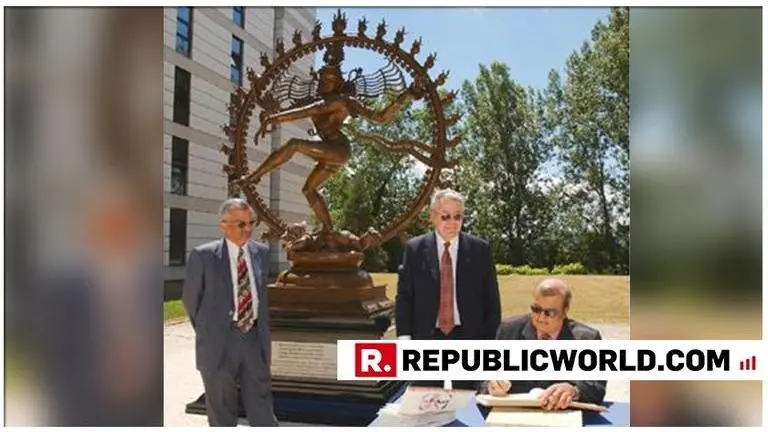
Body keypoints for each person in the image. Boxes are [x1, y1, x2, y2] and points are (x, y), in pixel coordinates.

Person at [182, 198, 277, 426]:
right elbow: (190, 300)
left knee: (262, 407)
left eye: (250, 223)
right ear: (223, 225)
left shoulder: (261, 253)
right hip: (219, 342)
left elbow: (261, 298)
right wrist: (211, 330)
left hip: (254, 339)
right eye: (240, 224)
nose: (247, 229)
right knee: (222, 409)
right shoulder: (203, 256)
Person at [396, 188, 502, 390]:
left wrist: (490, 343)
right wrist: (404, 337)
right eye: (445, 216)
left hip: (468, 336)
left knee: (469, 400)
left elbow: (492, 301)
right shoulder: (414, 249)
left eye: (458, 216)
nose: (452, 222)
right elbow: (405, 298)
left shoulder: (480, 249)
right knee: (425, 399)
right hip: (427, 337)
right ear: (433, 216)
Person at [485, 278, 606, 410]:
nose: (541, 318)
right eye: (536, 309)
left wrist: (574, 390)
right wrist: (492, 384)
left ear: (565, 311)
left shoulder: (587, 339)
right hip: (512, 415)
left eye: (550, 313)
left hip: (562, 418)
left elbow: (597, 388)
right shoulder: (509, 330)